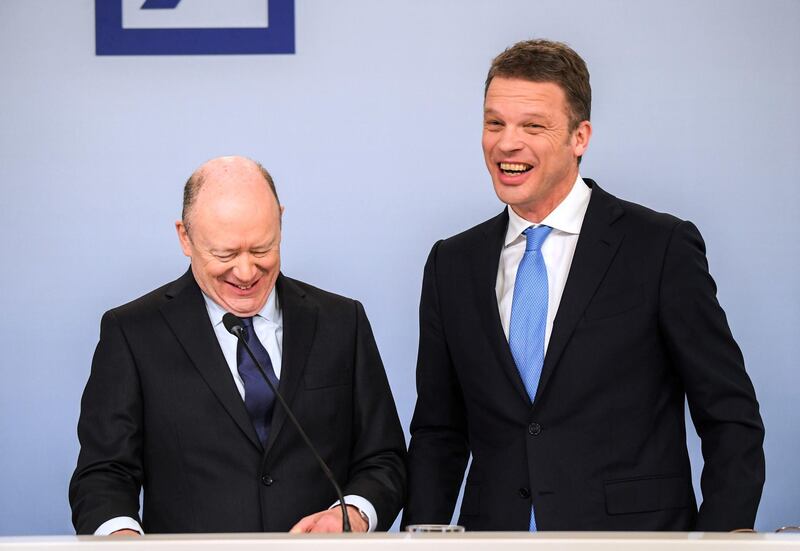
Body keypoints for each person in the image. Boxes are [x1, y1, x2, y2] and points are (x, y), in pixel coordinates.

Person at [403, 39, 765, 531]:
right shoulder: (452, 262)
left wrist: (721, 541)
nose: (507, 143)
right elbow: (438, 434)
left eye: (533, 125)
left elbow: (729, 416)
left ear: (580, 136)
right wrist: (419, 540)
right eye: (495, 123)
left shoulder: (659, 248)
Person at [69, 156, 406, 535]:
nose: (246, 273)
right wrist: (120, 535)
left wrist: (353, 514)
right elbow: (103, 475)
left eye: (262, 249)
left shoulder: (343, 322)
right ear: (185, 237)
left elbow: (384, 459)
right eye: (225, 254)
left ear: (280, 221)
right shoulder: (132, 333)